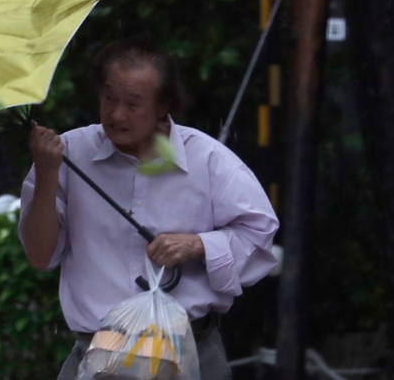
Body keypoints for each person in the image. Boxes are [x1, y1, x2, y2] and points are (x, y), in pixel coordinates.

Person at [18, 38, 280, 380]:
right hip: (99, 359)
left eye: (133, 103)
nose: (116, 114)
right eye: (109, 98)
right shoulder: (67, 154)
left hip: (188, 354)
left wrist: (198, 245)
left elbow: (258, 237)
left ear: (163, 106)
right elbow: (40, 256)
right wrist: (48, 173)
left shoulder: (208, 159)